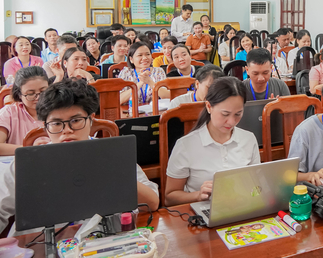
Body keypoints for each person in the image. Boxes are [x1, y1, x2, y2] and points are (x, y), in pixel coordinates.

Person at [0, 78, 159, 235]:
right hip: (41, 244)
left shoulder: (111, 154)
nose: (67, 130)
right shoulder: (26, 165)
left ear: (90, 120)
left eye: (75, 121)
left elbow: (152, 203)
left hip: (103, 243)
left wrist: (111, 167)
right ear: (45, 127)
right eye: (56, 124)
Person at [164, 77, 260, 206]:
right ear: (209, 106)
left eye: (238, 114)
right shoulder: (186, 145)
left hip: (242, 207)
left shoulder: (248, 139)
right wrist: (198, 195)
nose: (231, 122)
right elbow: (170, 197)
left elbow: (256, 185)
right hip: (203, 212)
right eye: (225, 114)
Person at [0, 67, 48, 155]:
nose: (38, 97)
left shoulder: (59, 111)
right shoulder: (9, 113)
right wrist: (30, 149)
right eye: (30, 93)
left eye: (43, 91)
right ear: (19, 94)